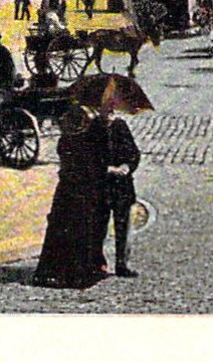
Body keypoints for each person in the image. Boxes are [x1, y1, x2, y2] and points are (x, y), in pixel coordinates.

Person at [33, 103, 109, 288]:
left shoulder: (65, 141)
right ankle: (78, 273)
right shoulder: (89, 140)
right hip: (84, 191)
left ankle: (53, 271)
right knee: (82, 230)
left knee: (59, 231)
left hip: (65, 191)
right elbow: (100, 159)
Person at [100, 103, 141, 277]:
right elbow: (88, 159)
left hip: (122, 186)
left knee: (124, 226)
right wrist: (107, 169)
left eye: (111, 111)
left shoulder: (120, 126)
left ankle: (122, 264)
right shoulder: (92, 130)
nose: (109, 114)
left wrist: (127, 166)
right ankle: (98, 264)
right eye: (105, 111)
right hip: (102, 185)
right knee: (99, 226)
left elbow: (134, 153)